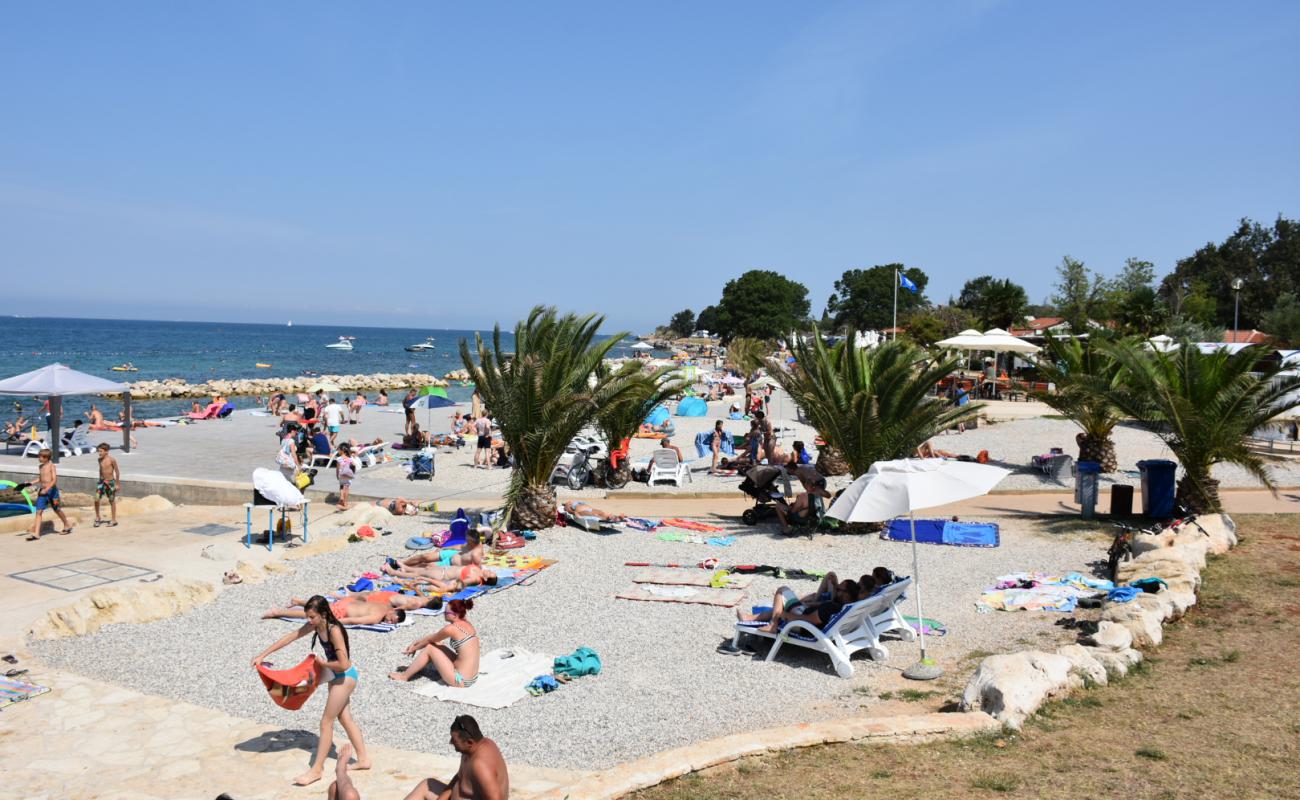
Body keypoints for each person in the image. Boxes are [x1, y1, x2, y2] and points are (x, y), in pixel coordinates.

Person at [252, 596, 371, 787]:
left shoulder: (334, 630)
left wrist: (322, 663)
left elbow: (344, 663)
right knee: (345, 718)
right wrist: (262, 655)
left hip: (345, 676)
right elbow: (291, 637)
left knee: (326, 722)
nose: (309, 621)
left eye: (312, 617)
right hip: (335, 676)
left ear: (323, 614)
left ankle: (316, 770)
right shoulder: (317, 625)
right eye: (307, 617)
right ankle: (364, 760)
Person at [400, 715, 509, 800]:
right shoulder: (471, 748)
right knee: (426, 785)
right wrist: (442, 797)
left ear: (469, 742)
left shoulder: (481, 766)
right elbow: (459, 776)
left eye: (454, 740)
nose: (450, 742)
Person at [388, 600, 480, 687]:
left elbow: (430, 641)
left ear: (455, 615)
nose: (444, 614)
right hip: (472, 677)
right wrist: (416, 642)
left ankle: (404, 677)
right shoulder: (467, 624)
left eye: (446, 612)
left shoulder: (451, 629)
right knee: (439, 644)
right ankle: (414, 668)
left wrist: (413, 648)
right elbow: (434, 637)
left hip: (460, 680)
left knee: (430, 648)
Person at [737, 578, 859, 634]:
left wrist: (786, 615)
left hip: (803, 625)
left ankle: (773, 625)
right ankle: (750, 618)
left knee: (782, 591)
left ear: (847, 594)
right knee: (781, 605)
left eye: (839, 589)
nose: (836, 590)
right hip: (805, 616)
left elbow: (811, 620)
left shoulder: (831, 607)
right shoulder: (845, 606)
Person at [262, 590, 436, 621]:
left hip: (349, 604)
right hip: (345, 609)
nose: (390, 622)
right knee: (315, 614)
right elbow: (352, 621)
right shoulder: (415, 602)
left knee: (326, 605)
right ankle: (278, 612)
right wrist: (337, 623)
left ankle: (299, 602)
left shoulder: (389, 610)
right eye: (392, 621)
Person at [27, 448, 73, 540]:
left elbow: (54, 480)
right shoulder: (41, 467)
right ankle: (36, 533)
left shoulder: (52, 466)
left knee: (57, 509)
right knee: (39, 511)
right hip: (42, 492)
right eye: (39, 456)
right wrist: (30, 483)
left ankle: (67, 524)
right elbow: (40, 479)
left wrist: (47, 488)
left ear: (46, 458)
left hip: (52, 492)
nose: (39, 458)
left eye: (41, 457)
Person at [382, 562, 499, 593]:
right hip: (445, 569)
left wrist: (448, 587)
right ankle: (405, 568)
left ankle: (392, 572)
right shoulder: (480, 570)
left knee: (418, 575)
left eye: (490, 573)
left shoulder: (476, 579)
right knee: (424, 569)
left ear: (486, 579)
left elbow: (461, 583)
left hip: (443, 575)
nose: (490, 571)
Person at [399, 531, 484, 569]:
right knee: (425, 556)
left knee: (427, 566)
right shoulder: (470, 543)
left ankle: (404, 568)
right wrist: (444, 548)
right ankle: (401, 563)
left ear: (473, 541)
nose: (466, 541)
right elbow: (461, 546)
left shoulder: (476, 555)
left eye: (468, 540)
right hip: (453, 554)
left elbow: (477, 570)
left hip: (452, 564)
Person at [94, 443, 120, 527]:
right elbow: (100, 470)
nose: (99, 453)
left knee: (111, 500)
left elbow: (117, 472)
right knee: (96, 499)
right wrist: (99, 480)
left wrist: (117, 483)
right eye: (99, 451)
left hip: (110, 482)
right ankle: (98, 517)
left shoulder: (112, 460)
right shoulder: (99, 460)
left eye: (101, 451)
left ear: (106, 452)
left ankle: (113, 520)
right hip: (101, 482)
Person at [562, 499, 626, 523]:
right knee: (595, 515)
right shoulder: (568, 506)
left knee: (601, 512)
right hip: (582, 511)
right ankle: (610, 517)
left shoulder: (572, 502)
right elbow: (572, 512)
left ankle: (614, 517)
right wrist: (576, 513)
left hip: (588, 508)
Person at [335, 443, 356, 510]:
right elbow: (354, 465)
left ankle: (341, 497)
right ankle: (345, 502)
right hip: (348, 475)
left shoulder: (338, 459)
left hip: (341, 475)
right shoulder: (350, 459)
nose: (338, 451)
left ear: (342, 451)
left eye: (338, 449)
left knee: (341, 486)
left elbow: (337, 468)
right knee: (346, 488)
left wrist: (337, 475)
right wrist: (353, 472)